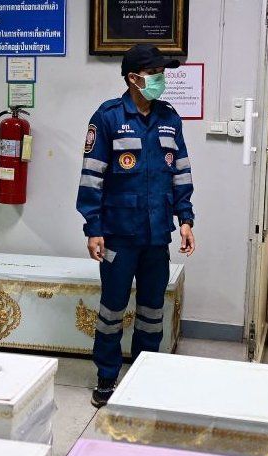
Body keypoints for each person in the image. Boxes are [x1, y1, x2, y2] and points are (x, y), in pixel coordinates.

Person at [76, 44, 196, 408]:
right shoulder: (108, 117)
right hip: (118, 234)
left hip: (156, 234)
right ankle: (107, 376)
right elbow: (91, 178)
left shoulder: (169, 117)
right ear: (134, 78)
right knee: (112, 308)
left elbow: (181, 172)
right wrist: (93, 228)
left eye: (162, 74)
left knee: (151, 309)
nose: (161, 80)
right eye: (155, 74)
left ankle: (146, 374)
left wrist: (186, 218)